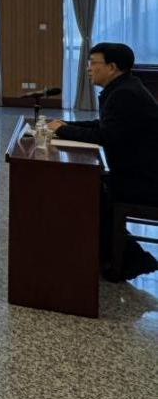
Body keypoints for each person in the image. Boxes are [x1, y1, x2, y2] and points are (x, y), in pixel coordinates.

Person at [48, 43, 158, 280]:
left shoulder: (125, 94)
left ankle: (130, 258)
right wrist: (66, 125)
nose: (88, 68)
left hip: (147, 180)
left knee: (89, 192)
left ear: (112, 67)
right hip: (138, 172)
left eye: (93, 63)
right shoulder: (122, 88)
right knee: (89, 188)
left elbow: (105, 136)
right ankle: (118, 253)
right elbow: (104, 126)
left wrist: (63, 131)